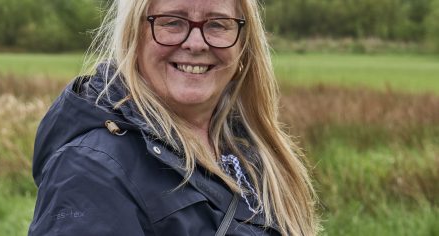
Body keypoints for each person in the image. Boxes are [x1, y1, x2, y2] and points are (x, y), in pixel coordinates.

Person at [29, 0, 319, 235]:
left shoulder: (248, 152)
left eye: (217, 24)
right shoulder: (91, 170)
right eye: (172, 22)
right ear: (134, 35)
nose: (196, 43)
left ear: (243, 44)